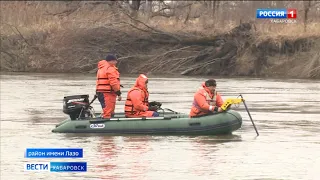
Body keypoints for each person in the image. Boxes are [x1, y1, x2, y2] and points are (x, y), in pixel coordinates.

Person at [96, 54, 122, 118]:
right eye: (115, 61)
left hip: (101, 92)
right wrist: (118, 93)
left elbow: (99, 81)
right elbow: (113, 83)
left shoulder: (101, 68)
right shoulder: (110, 69)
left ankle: (108, 120)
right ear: (111, 61)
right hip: (107, 93)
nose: (116, 62)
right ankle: (107, 123)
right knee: (108, 112)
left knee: (107, 111)